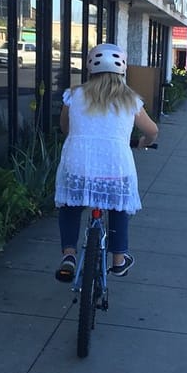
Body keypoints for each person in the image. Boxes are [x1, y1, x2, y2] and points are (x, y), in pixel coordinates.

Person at [54, 43, 159, 282]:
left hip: (77, 164)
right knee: (118, 209)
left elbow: (65, 127)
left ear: (90, 67)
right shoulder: (130, 100)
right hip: (115, 167)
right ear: (122, 70)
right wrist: (144, 141)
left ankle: (68, 255)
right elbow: (153, 130)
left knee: (70, 208)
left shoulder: (74, 95)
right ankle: (119, 260)